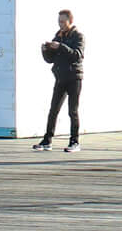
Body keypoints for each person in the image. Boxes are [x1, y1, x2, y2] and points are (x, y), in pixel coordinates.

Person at [34, 9, 85, 152]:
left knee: (72, 111)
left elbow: (77, 55)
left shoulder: (78, 36)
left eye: (63, 21)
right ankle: (47, 140)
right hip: (60, 77)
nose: (60, 24)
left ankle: (74, 142)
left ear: (70, 21)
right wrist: (46, 50)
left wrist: (60, 47)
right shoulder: (58, 35)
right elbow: (50, 60)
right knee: (53, 110)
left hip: (74, 78)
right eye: (59, 21)